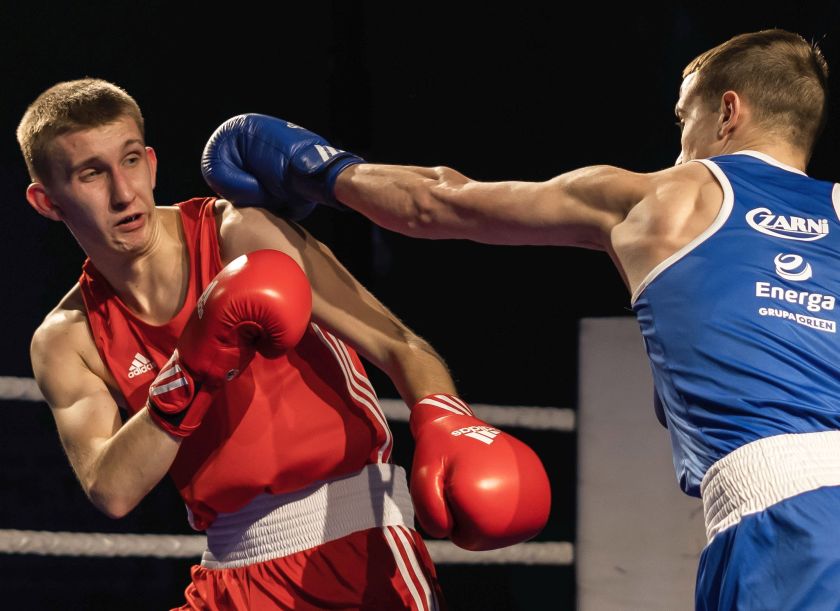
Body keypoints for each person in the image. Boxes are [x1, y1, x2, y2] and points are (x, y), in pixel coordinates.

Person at [201, 29, 840, 610]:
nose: (680, 147)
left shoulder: (667, 198)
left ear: (727, 112)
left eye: (684, 120)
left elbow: (437, 203)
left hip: (780, 525)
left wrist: (318, 168)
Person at [18, 78, 551, 611]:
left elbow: (400, 344)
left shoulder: (238, 234)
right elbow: (111, 489)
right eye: (91, 173)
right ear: (47, 201)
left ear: (152, 164)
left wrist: (446, 421)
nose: (123, 192)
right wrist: (193, 368)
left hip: (354, 550)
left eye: (130, 160)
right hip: (227, 573)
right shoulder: (68, 338)